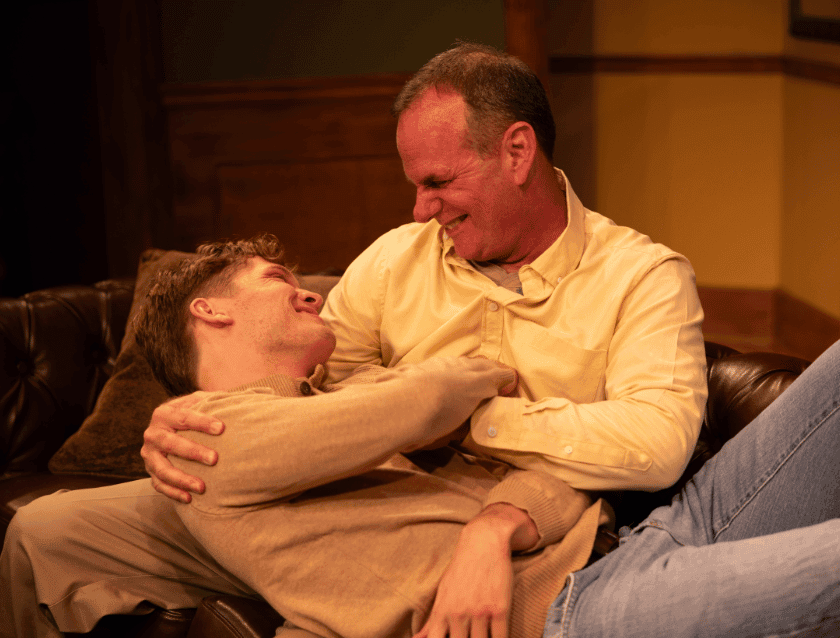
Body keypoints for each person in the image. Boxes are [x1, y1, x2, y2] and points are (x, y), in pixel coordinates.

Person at [142, 43, 840, 637]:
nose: (421, 209)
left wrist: (463, 418)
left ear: (517, 151)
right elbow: (312, 398)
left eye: (439, 182)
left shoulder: (642, 276)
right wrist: (176, 422)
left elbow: (656, 445)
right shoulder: (392, 261)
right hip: (583, 589)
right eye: (415, 185)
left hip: (665, 521)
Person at [0, 235, 612, 638]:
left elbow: (560, 475)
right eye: (277, 278)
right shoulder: (206, 438)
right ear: (210, 310)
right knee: (39, 530)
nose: (314, 294)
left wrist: (497, 526)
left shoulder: (361, 397)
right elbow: (433, 395)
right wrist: (471, 376)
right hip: (574, 606)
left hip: (605, 553)